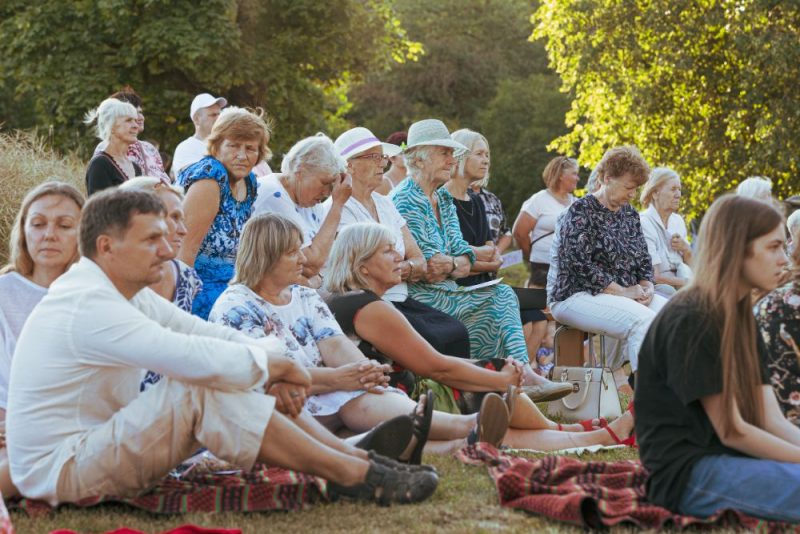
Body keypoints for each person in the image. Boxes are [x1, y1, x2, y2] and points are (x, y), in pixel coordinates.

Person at [4, 189, 438, 506]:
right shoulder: (88, 302)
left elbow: (202, 333)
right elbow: (183, 354)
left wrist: (279, 362)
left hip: (91, 447)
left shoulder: (119, 291)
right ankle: (358, 473)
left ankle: (356, 461)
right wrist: (275, 366)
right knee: (202, 382)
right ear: (106, 247)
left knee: (225, 371)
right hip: (62, 471)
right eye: (150, 239)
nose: (165, 250)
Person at [209, 213, 513, 457]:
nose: (303, 259)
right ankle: (470, 425)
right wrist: (344, 377)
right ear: (266, 257)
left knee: (358, 401)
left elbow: (335, 344)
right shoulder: (235, 307)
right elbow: (271, 377)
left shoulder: (303, 296)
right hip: (280, 403)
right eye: (292, 253)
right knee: (352, 399)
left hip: (327, 396)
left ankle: (460, 444)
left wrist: (362, 371)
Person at [324, 221, 636, 450]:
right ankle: (587, 437)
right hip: (398, 402)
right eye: (387, 251)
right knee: (493, 388)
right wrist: (501, 381)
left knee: (494, 375)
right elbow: (435, 367)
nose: (399, 257)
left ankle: (576, 434)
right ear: (363, 267)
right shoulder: (367, 307)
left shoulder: (347, 301)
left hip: (389, 400)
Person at [636, 194, 800, 522]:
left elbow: (772, 419)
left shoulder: (740, 315)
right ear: (737, 248)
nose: (785, 258)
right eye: (773, 247)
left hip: (729, 458)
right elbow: (732, 430)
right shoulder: (693, 317)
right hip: (688, 475)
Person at [391, 119, 571, 399]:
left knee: (502, 298)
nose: (453, 159)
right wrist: (454, 263)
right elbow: (430, 268)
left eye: (454, 153)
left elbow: (460, 258)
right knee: (500, 297)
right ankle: (519, 378)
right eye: (445, 152)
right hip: (421, 299)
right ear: (420, 157)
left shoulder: (444, 199)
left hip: (450, 291)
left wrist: (453, 263)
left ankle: (513, 380)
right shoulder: (405, 200)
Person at [333, 126, 471, 359]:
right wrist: (406, 268)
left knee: (456, 331)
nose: (383, 164)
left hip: (401, 298)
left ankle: (475, 388)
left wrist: (399, 268)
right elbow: (358, 269)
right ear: (350, 165)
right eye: (374, 157)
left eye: (383, 157)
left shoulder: (385, 203)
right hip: (371, 304)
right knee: (436, 338)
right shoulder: (338, 209)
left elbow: (419, 260)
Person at [548, 146, 666, 373]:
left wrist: (646, 286)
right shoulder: (580, 211)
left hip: (623, 293)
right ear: (606, 178)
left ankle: (676, 397)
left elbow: (643, 259)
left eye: (636, 188)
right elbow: (578, 264)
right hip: (574, 295)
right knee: (643, 322)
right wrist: (622, 291)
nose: (633, 194)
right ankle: (649, 402)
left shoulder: (629, 215)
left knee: (674, 318)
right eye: (628, 187)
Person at [447, 129, 548, 365]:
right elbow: (453, 261)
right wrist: (480, 261)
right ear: (460, 155)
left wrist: (478, 260)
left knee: (538, 317)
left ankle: (522, 375)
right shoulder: (442, 200)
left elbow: (493, 254)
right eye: (479, 154)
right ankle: (515, 376)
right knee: (513, 312)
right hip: (458, 286)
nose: (486, 160)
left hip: (484, 281)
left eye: (488, 154)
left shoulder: (478, 202)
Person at [0, 182, 84, 423]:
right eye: (38, 224)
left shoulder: (94, 295)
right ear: (24, 232)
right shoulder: (4, 293)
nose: (49, 234)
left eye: (65, 225)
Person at [177, 106, 271, 319]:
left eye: (250, 148)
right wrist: (179, 314)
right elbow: (184, 250)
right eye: (233, 146)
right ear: (216, 147)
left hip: (233, 286)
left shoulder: (250, 182)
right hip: (199, 289)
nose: (242, 155)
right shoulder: (210, 177)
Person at [252, 134, 352, 288]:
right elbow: (310, 265)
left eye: (332, 186)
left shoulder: (309, 201)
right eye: (325, 183)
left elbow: (321, 265)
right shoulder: (273, 194)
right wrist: (337, 205)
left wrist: (314, 278)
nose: (327, 193)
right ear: (300, 171)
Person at [513, 156, 579, 289]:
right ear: (561, 175)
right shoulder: (539, 200)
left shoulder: (576, 204)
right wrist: (531, 256)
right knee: (541, 308)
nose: (578, 178)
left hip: (569, 273)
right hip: (542, 270)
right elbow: (519, 233)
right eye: (574, 174)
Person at [95, 87, 169, 182]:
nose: (141, 118)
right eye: (130, 118)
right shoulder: (105, 152)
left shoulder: (150, 149)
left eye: (140, 112)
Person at [639, 167, 693, 297]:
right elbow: (654, 276)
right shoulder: (643, 222)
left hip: (682, 285)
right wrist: (689, 283)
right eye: (673, 189)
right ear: (655, 194)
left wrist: (686, 249)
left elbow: (693, 265)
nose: (679, 195)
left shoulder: (678, 221)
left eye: (679, 189)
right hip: (658, 289)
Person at [84, 98, 142, 195]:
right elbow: (99, 207)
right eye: (128, 120)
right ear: (111, 127)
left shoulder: (136, 168)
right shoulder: (100, 164)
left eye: (136, 121)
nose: (136, 126)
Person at [171, 93, 227, 177]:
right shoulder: (186, 148)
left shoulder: (227, 145)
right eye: (213, 115)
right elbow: (197, 180)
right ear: (197, 119)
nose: (219, 118)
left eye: (219, 114)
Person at [375, 131, 408, 196]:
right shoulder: (383, 182)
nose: (408, 156)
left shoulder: (415, 178)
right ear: (392, 158)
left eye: (409, 152)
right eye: (402, 153)